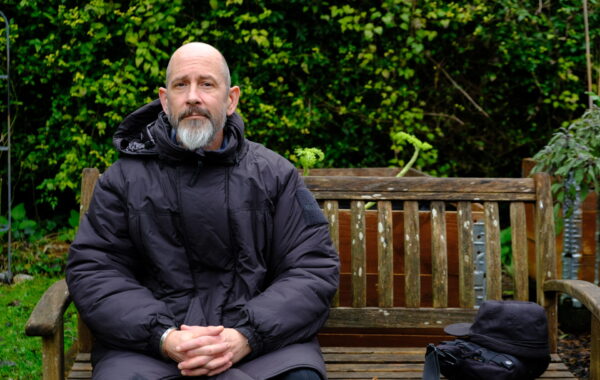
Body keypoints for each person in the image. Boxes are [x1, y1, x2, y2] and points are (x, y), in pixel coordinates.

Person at [66, 42, 340, 380]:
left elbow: (312, 268)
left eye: (207, 84)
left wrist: (245, 335)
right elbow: (94, 269)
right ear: (165, 101)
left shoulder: (275, 174)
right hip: (149, 351)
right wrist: (165, 337)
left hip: (262, 349)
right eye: (181, 85)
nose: (193, 96)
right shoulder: (123, 179)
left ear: (231, 99)